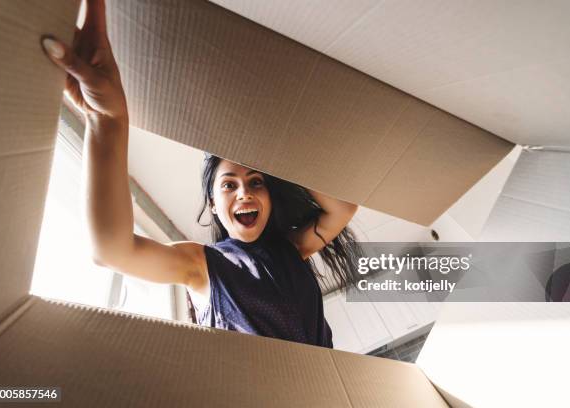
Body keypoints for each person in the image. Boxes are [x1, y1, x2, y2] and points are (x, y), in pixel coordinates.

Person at [41, 0, 360, 348]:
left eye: (256, 182)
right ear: (212, 202)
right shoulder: (201, 264)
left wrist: (279, 147)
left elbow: (342, 209)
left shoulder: (291, 249)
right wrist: (107, 119)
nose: (244, 193)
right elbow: (112, 251)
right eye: (229, 185)